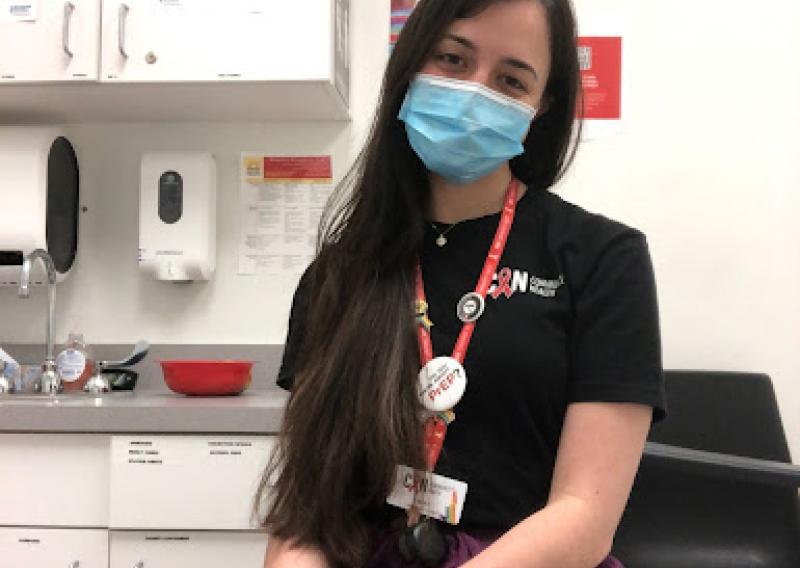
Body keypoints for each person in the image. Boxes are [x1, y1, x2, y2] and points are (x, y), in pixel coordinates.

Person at [259, 0, 667, 566]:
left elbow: (584, 517)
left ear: (540, 106)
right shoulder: (339, 272)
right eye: (452, 58)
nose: (476, 90)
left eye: (510, 79)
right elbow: (306, 516)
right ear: (410, 68)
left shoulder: (603, 260)